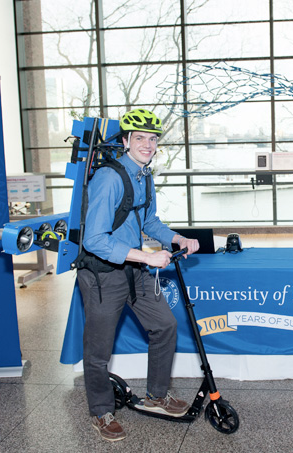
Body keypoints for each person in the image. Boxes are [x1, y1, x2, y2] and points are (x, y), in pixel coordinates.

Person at [76, 108, 200, 442]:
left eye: (153, 138)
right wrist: (146, 255)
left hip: (136, 268)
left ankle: (157, 395)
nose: (147, 144)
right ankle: (101, 412)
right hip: (103, 274)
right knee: (99, 350)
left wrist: (177, 238)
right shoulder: (109, 178)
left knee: (165, 325)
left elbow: (149, 222)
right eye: (140, 138)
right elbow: (94, 240)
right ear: (127, 140)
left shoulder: (144, 175)